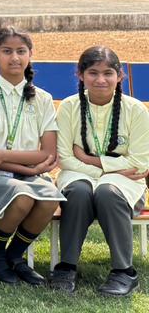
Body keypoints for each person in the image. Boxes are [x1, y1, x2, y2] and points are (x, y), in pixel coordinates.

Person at [0, 27, 64, 286]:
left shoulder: (42, 98)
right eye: (7, 51)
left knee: (50, 198)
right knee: (22, 196)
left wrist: (0, 155)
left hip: (27, 175)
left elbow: (47, 153)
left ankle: (13, 256)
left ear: (30, 55)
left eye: (21, 51)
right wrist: (28, 166)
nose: (15, 57)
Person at [51, 46, 149, 296]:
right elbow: (64, 158)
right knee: (79, 191)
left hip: (125, 182)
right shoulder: (69, 107)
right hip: (78, 176)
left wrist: (90, 160)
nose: (101, 80)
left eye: (108, 73)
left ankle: (124, 271)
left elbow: (140, 162)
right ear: (80, 75)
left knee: (107, 192)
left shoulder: (135, 109)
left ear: (119, 76)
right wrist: (108, 170)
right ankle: (66, 267)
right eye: (93, 73)